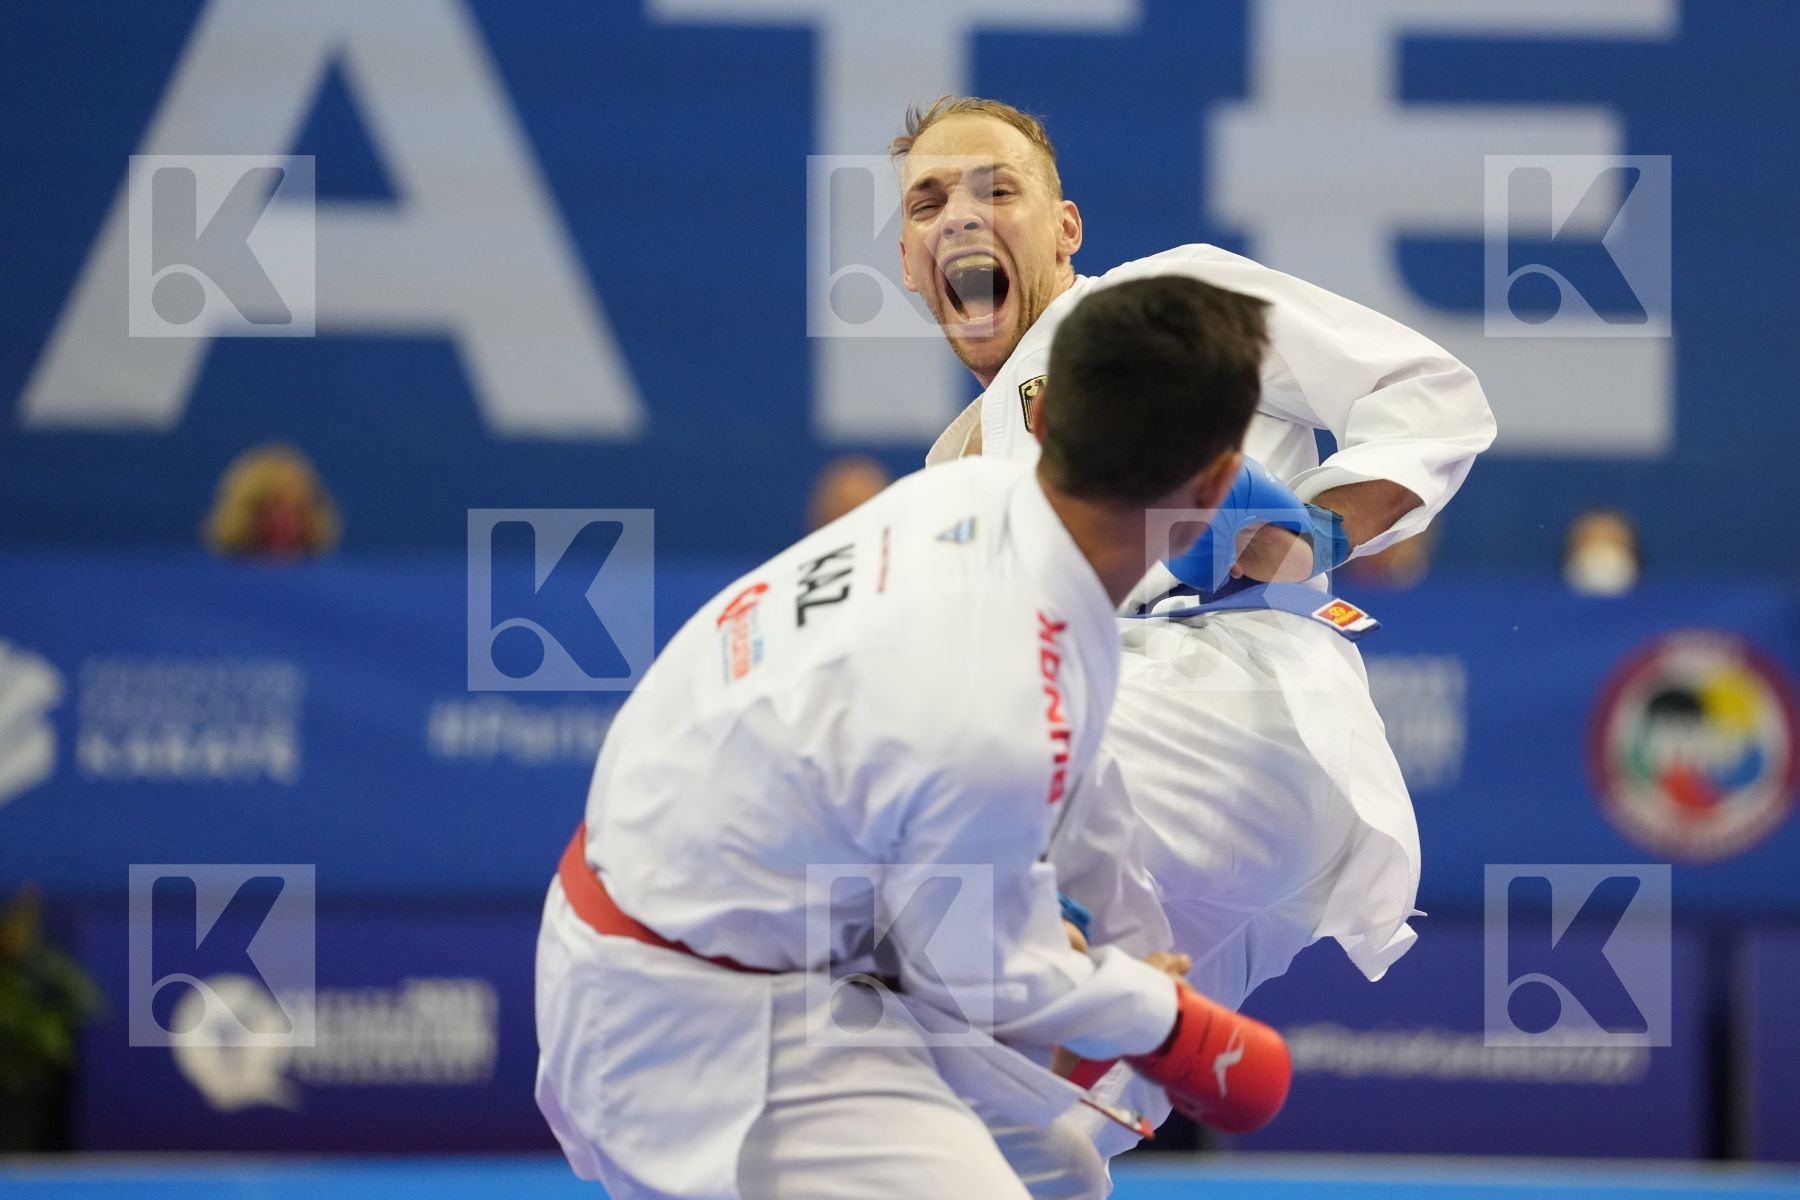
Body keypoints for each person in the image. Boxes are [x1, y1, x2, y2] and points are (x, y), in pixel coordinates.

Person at [535, 278, 1293, 1199]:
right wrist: (1171, 1027)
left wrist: (1115, 959)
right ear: (1218, 485)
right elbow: (986, 979)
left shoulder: (973, 498)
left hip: (746, 931)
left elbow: (1038, 815)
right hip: (686, 1024)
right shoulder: (995, 696)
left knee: (1062, 1176)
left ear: (1042, 413)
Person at [894, 95, 1497, 1154]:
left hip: (1226, 707)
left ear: (1066, 227)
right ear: (908, 262)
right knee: (991, 1119)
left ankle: (1097, 975)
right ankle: (1129, 1034)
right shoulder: (950, 471)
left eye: (999, 188)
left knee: (923, 787)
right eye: (929, 200)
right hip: (1172, 828)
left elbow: (1428, 391)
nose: (960, 215)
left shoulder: (1149, 306)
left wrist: (1317, 532)